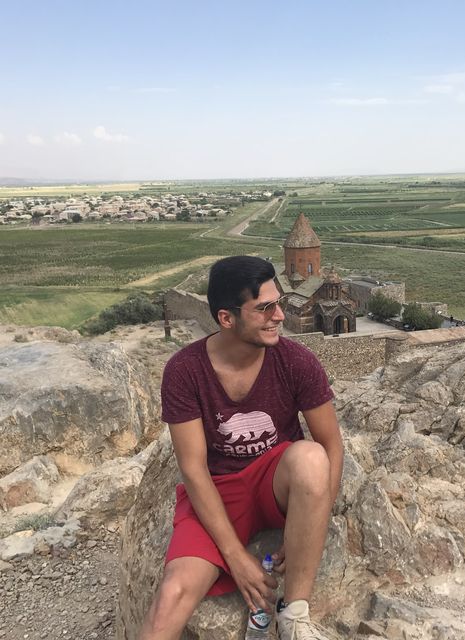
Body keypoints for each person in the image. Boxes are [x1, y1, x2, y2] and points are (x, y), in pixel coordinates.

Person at [140, 256, 344, 640]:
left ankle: (294, 614)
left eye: (278, 302)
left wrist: (315, 516)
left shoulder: (296, 362)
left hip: (275, 479)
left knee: (312, 458)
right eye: (264, 308)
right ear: (226, 318)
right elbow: (194, 469)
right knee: (172, 595)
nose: (280, 316)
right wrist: (236, 558)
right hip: (220, 491)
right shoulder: (185, 372)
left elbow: (331, 444)